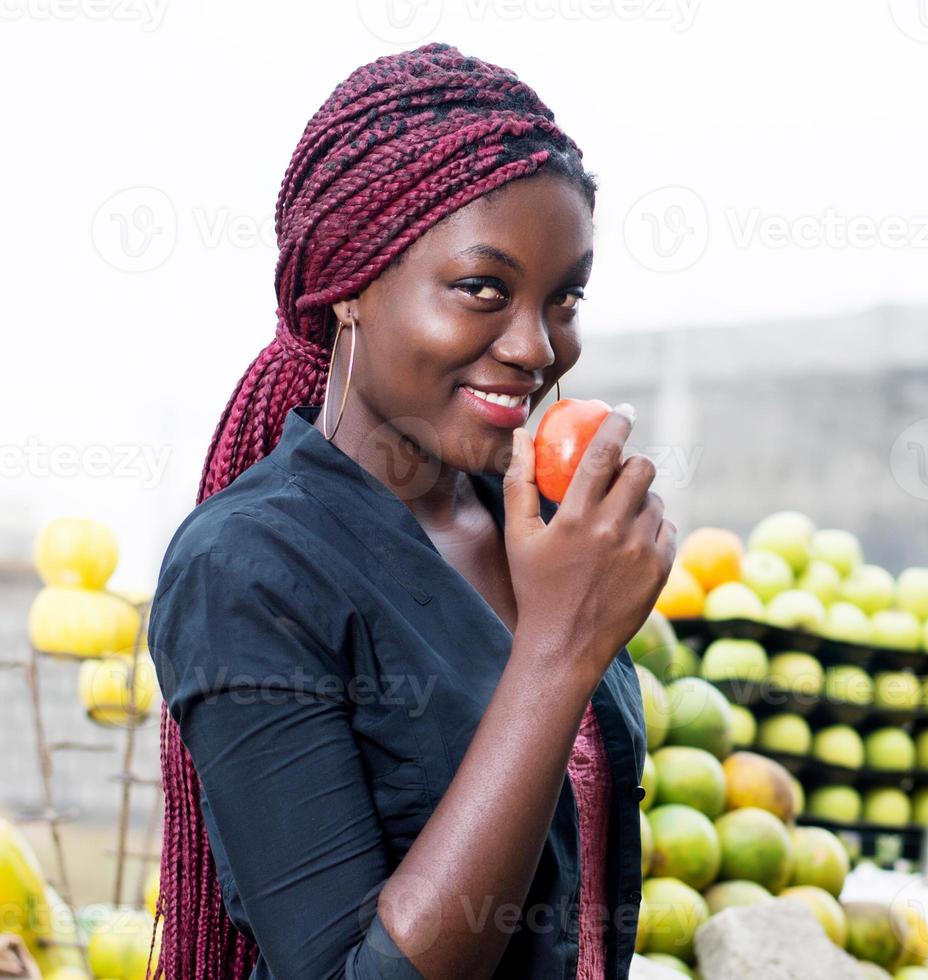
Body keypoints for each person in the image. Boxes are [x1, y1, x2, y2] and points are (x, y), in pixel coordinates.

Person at [145, 42, 673, 980]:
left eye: (565, 298)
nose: (535, 347)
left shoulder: (542, 530)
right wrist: (558, 648)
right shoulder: (249, 570)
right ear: (351, 283)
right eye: (483, 289)